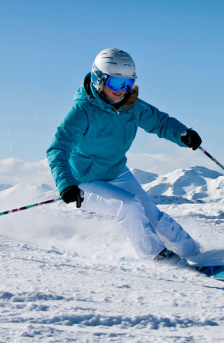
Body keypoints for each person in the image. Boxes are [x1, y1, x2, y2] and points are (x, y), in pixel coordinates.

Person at [46, 48, 203, 265]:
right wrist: (66, 184)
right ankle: (156, 257)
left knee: (151, 213)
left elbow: (160, 122)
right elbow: (57, 149)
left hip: (116, 171)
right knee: (128, 205)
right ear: (98, 79)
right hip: (84, 181)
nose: (122, 91)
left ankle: (194, 252)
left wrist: (183, 134)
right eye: (116, 84)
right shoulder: (82, 111)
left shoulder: (131, 106)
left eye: (128, 84)